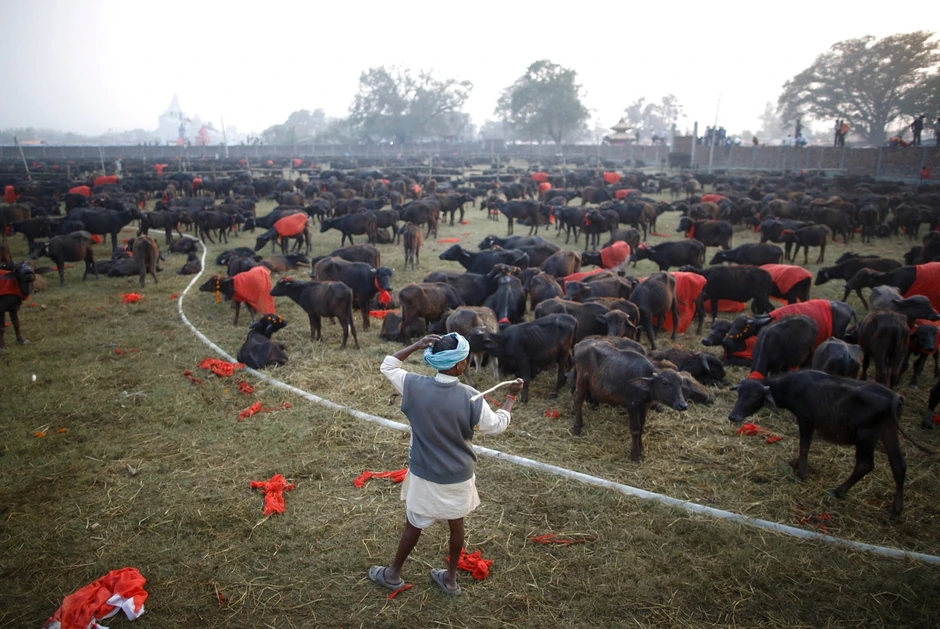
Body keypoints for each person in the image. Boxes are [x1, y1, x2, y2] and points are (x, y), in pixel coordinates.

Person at [370, 333, 522, 596]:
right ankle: (450, 580)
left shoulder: (413, 385)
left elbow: (388, 366)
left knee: (413, 524)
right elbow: (496, 426)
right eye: (464, 359)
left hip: (424, 473)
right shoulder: (472, 397)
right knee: (456, 523)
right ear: (459, 365)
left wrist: (416, 344)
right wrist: (510, 398)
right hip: (458, 476)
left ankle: (393, 573)